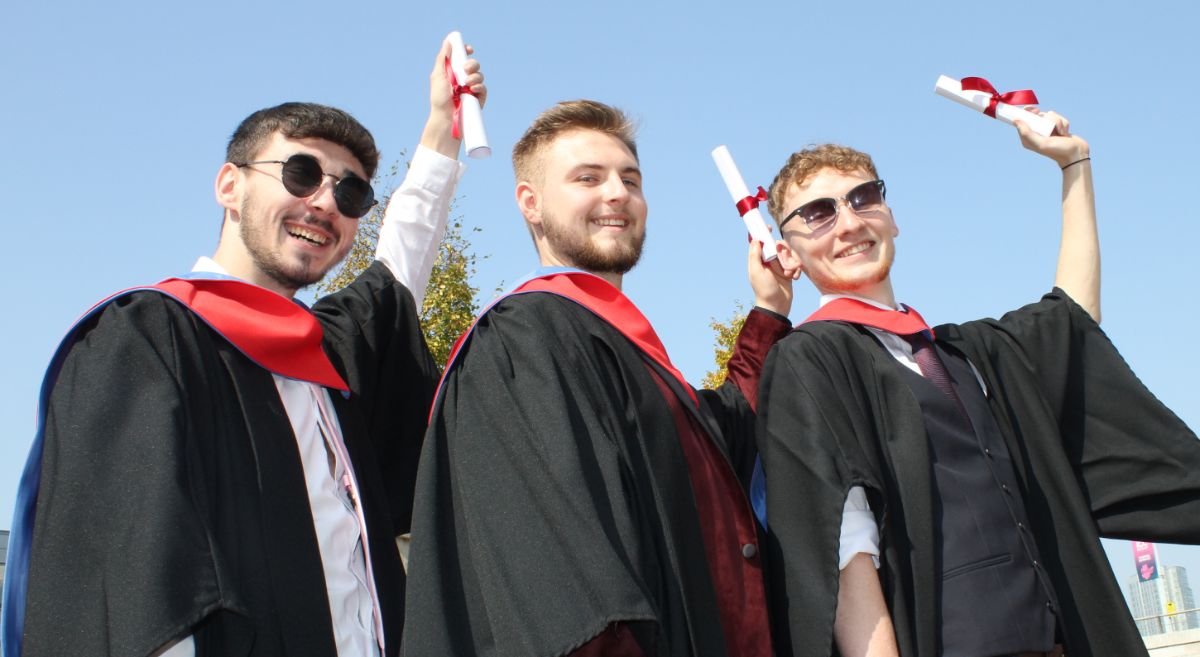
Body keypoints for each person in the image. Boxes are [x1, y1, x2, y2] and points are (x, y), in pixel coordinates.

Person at [1, 36, 485, 657]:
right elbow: (127, 577)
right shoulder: (146, 337)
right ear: (229, 185)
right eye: (300, 173)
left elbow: (399, 266)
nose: (323, 203)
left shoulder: (327, 358)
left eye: (350, 194)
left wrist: (442, 126)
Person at [756, 111, 1200, 657]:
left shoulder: (968, 353)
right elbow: (844, 547)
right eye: (817, 214)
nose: (849, 223)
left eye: (863, 198)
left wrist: (1074, 166)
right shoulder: (812, 360)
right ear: (789, 255)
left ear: (892, 218)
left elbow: (1072, 319)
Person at [401, 100, 796, 657]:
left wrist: (769, 309)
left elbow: (724, 433)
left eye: (630, 180)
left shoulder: (625, 353)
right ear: (530, 204)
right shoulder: (523, 338)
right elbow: (569, 595)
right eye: (588, 178)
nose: (618, 193)